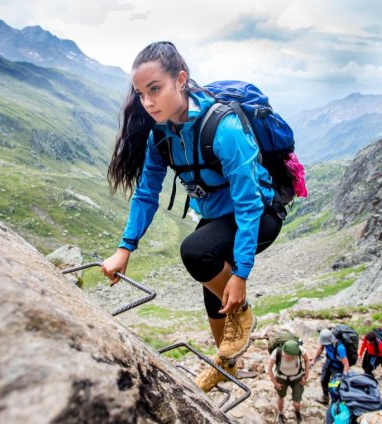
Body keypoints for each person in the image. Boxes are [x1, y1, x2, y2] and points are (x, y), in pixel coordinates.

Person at [101, 41, 283, 391]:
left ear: (180, 79)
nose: (148, 102)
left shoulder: (224, 129)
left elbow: (248, 205)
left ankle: (242, 313)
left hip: (261, 213)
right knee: (210, 289)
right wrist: (125, 248)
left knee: (197, 252)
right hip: (220, 216)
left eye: (155, 89)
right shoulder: (161, 136)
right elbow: (146, 193)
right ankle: (227, 362)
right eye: (141, 93)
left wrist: (241, 275)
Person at [267, 340, 310, 424]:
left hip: (297, 378)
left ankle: (297, 412)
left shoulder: (299, 350)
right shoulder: (277, 352)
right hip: (281, 378)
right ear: (285, 353)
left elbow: (306, 360)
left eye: (295, 357)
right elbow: (269, 369)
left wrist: (305, 376)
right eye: (291, 357)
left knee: (297, 403)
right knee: (281, 396)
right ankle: (280, 414)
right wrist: (275, 384)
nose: (294, 358)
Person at [311, 328, 350, 404]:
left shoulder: (340, 347)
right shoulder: (326, 341)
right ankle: (325, 398)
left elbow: (346, 364)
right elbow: (321, 348)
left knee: (334, 385)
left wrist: (344, 376)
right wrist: (314, 359)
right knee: (323, 380)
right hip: (329, 361)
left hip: (338, 367)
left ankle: (336, 401)